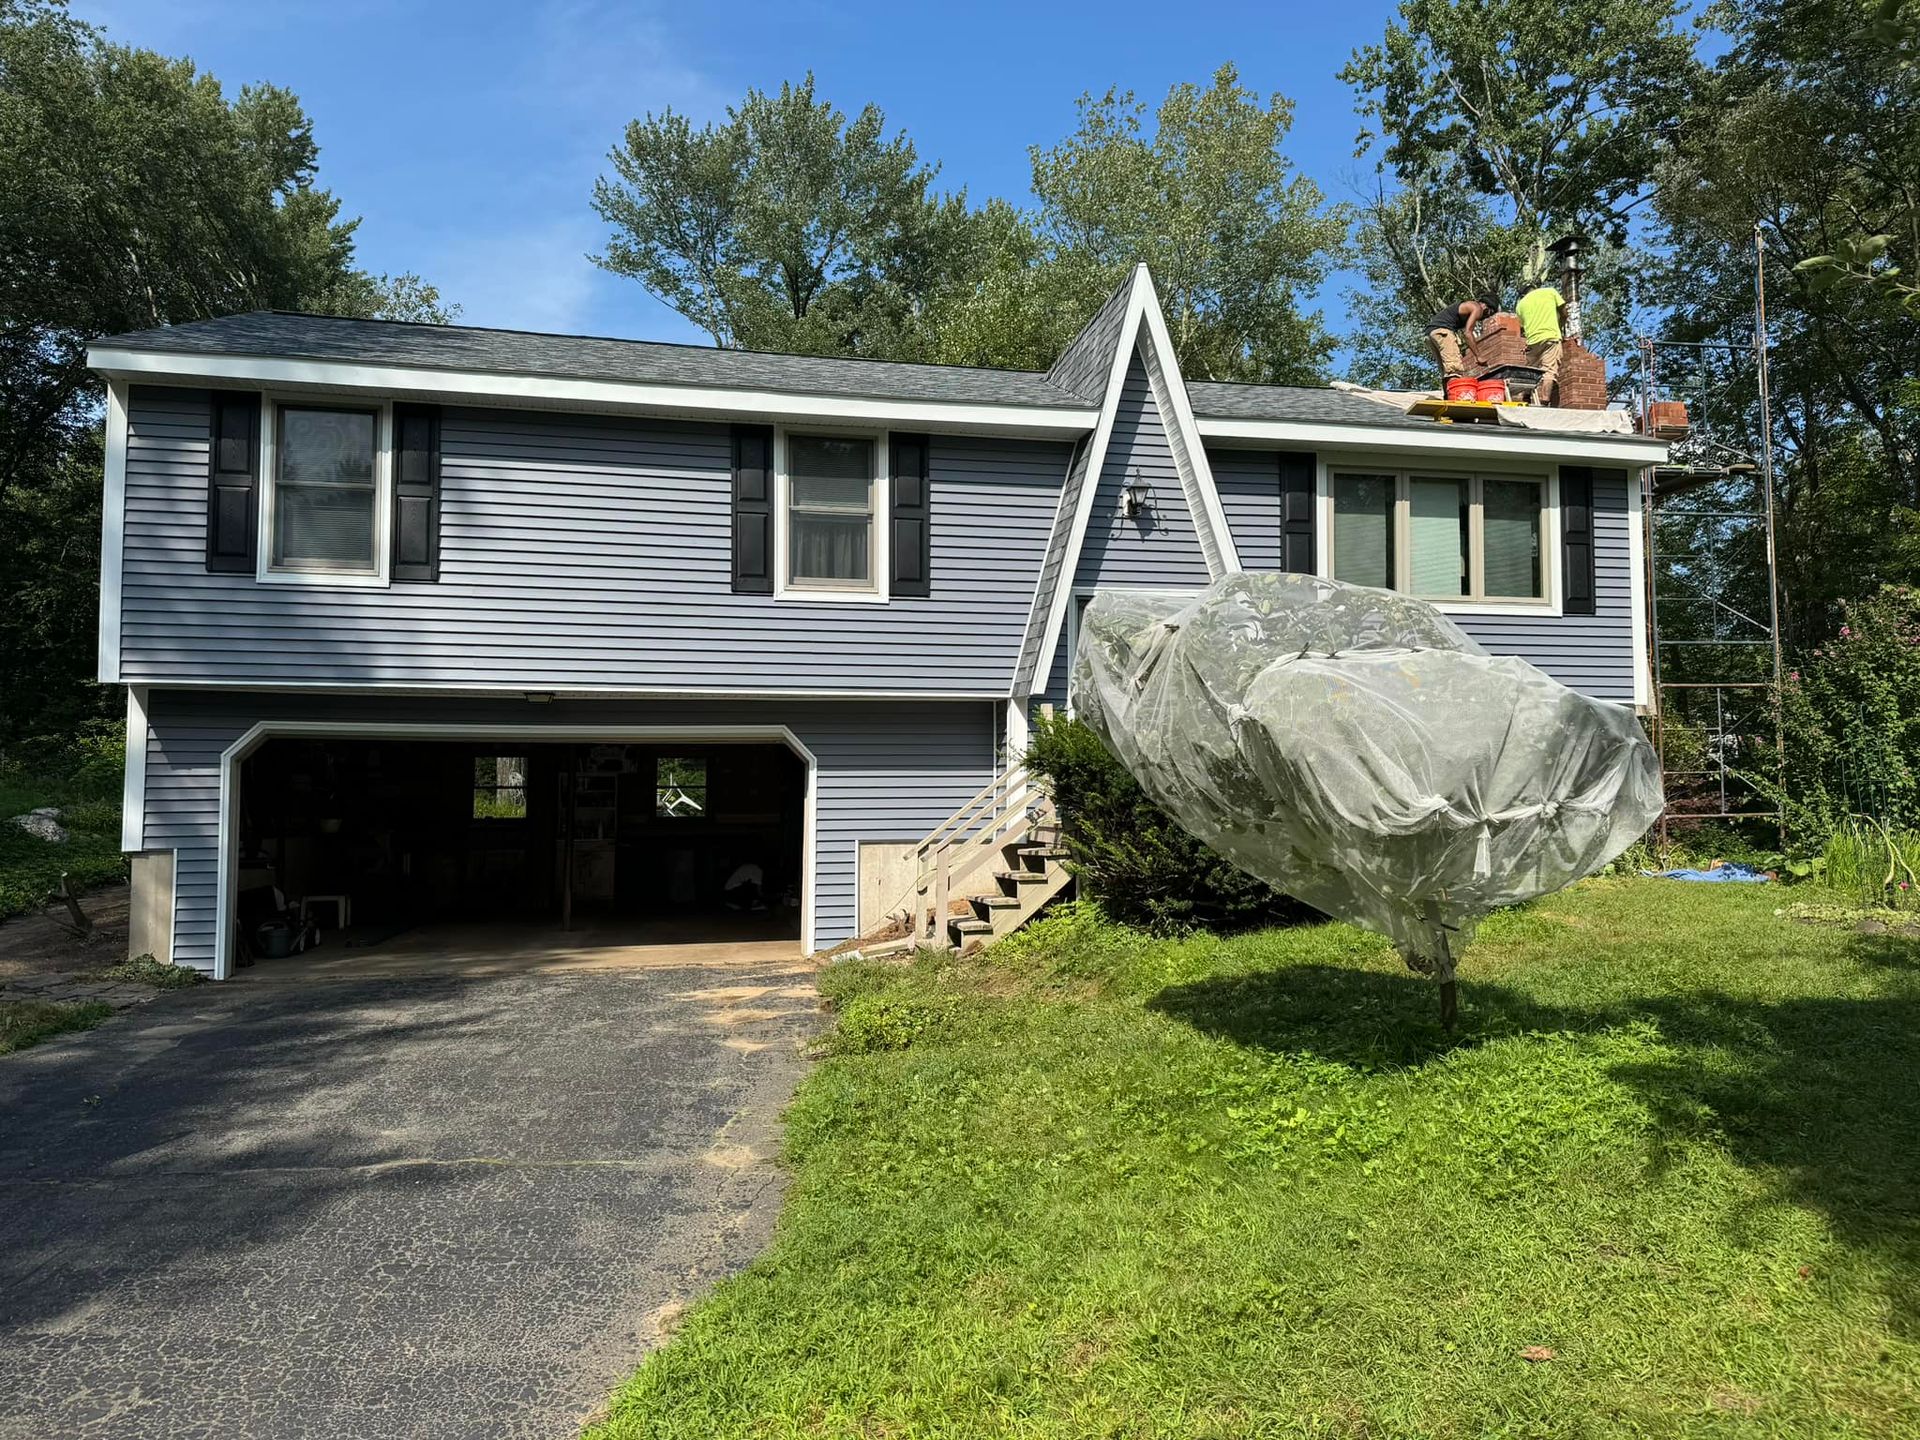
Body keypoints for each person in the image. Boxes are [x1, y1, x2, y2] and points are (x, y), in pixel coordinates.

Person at [1514, 282, 1569, 405]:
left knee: (1530, 372)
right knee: (1549, 370)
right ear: (1534, 288)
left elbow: (1523, 327)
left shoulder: (1520, 306)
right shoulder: (1550, 292)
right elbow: (1564, 313)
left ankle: (1526, 398)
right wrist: (1560, 327)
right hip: (1550, 337)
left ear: (1523, 294)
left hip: (1532, 341)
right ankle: (1544, 402)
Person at [1426, 295, 1497, 381]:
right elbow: (1467, 333)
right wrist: (1478, 356)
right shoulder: (1477, 308)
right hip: (1442, 332)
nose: (1488, 316)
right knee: (1455, 369)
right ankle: (1455, 394)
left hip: (1430, 333)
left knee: (1446, 372)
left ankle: (1447, 394)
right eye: (1490, 312)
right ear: (1485, 306)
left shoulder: (1468, 306)